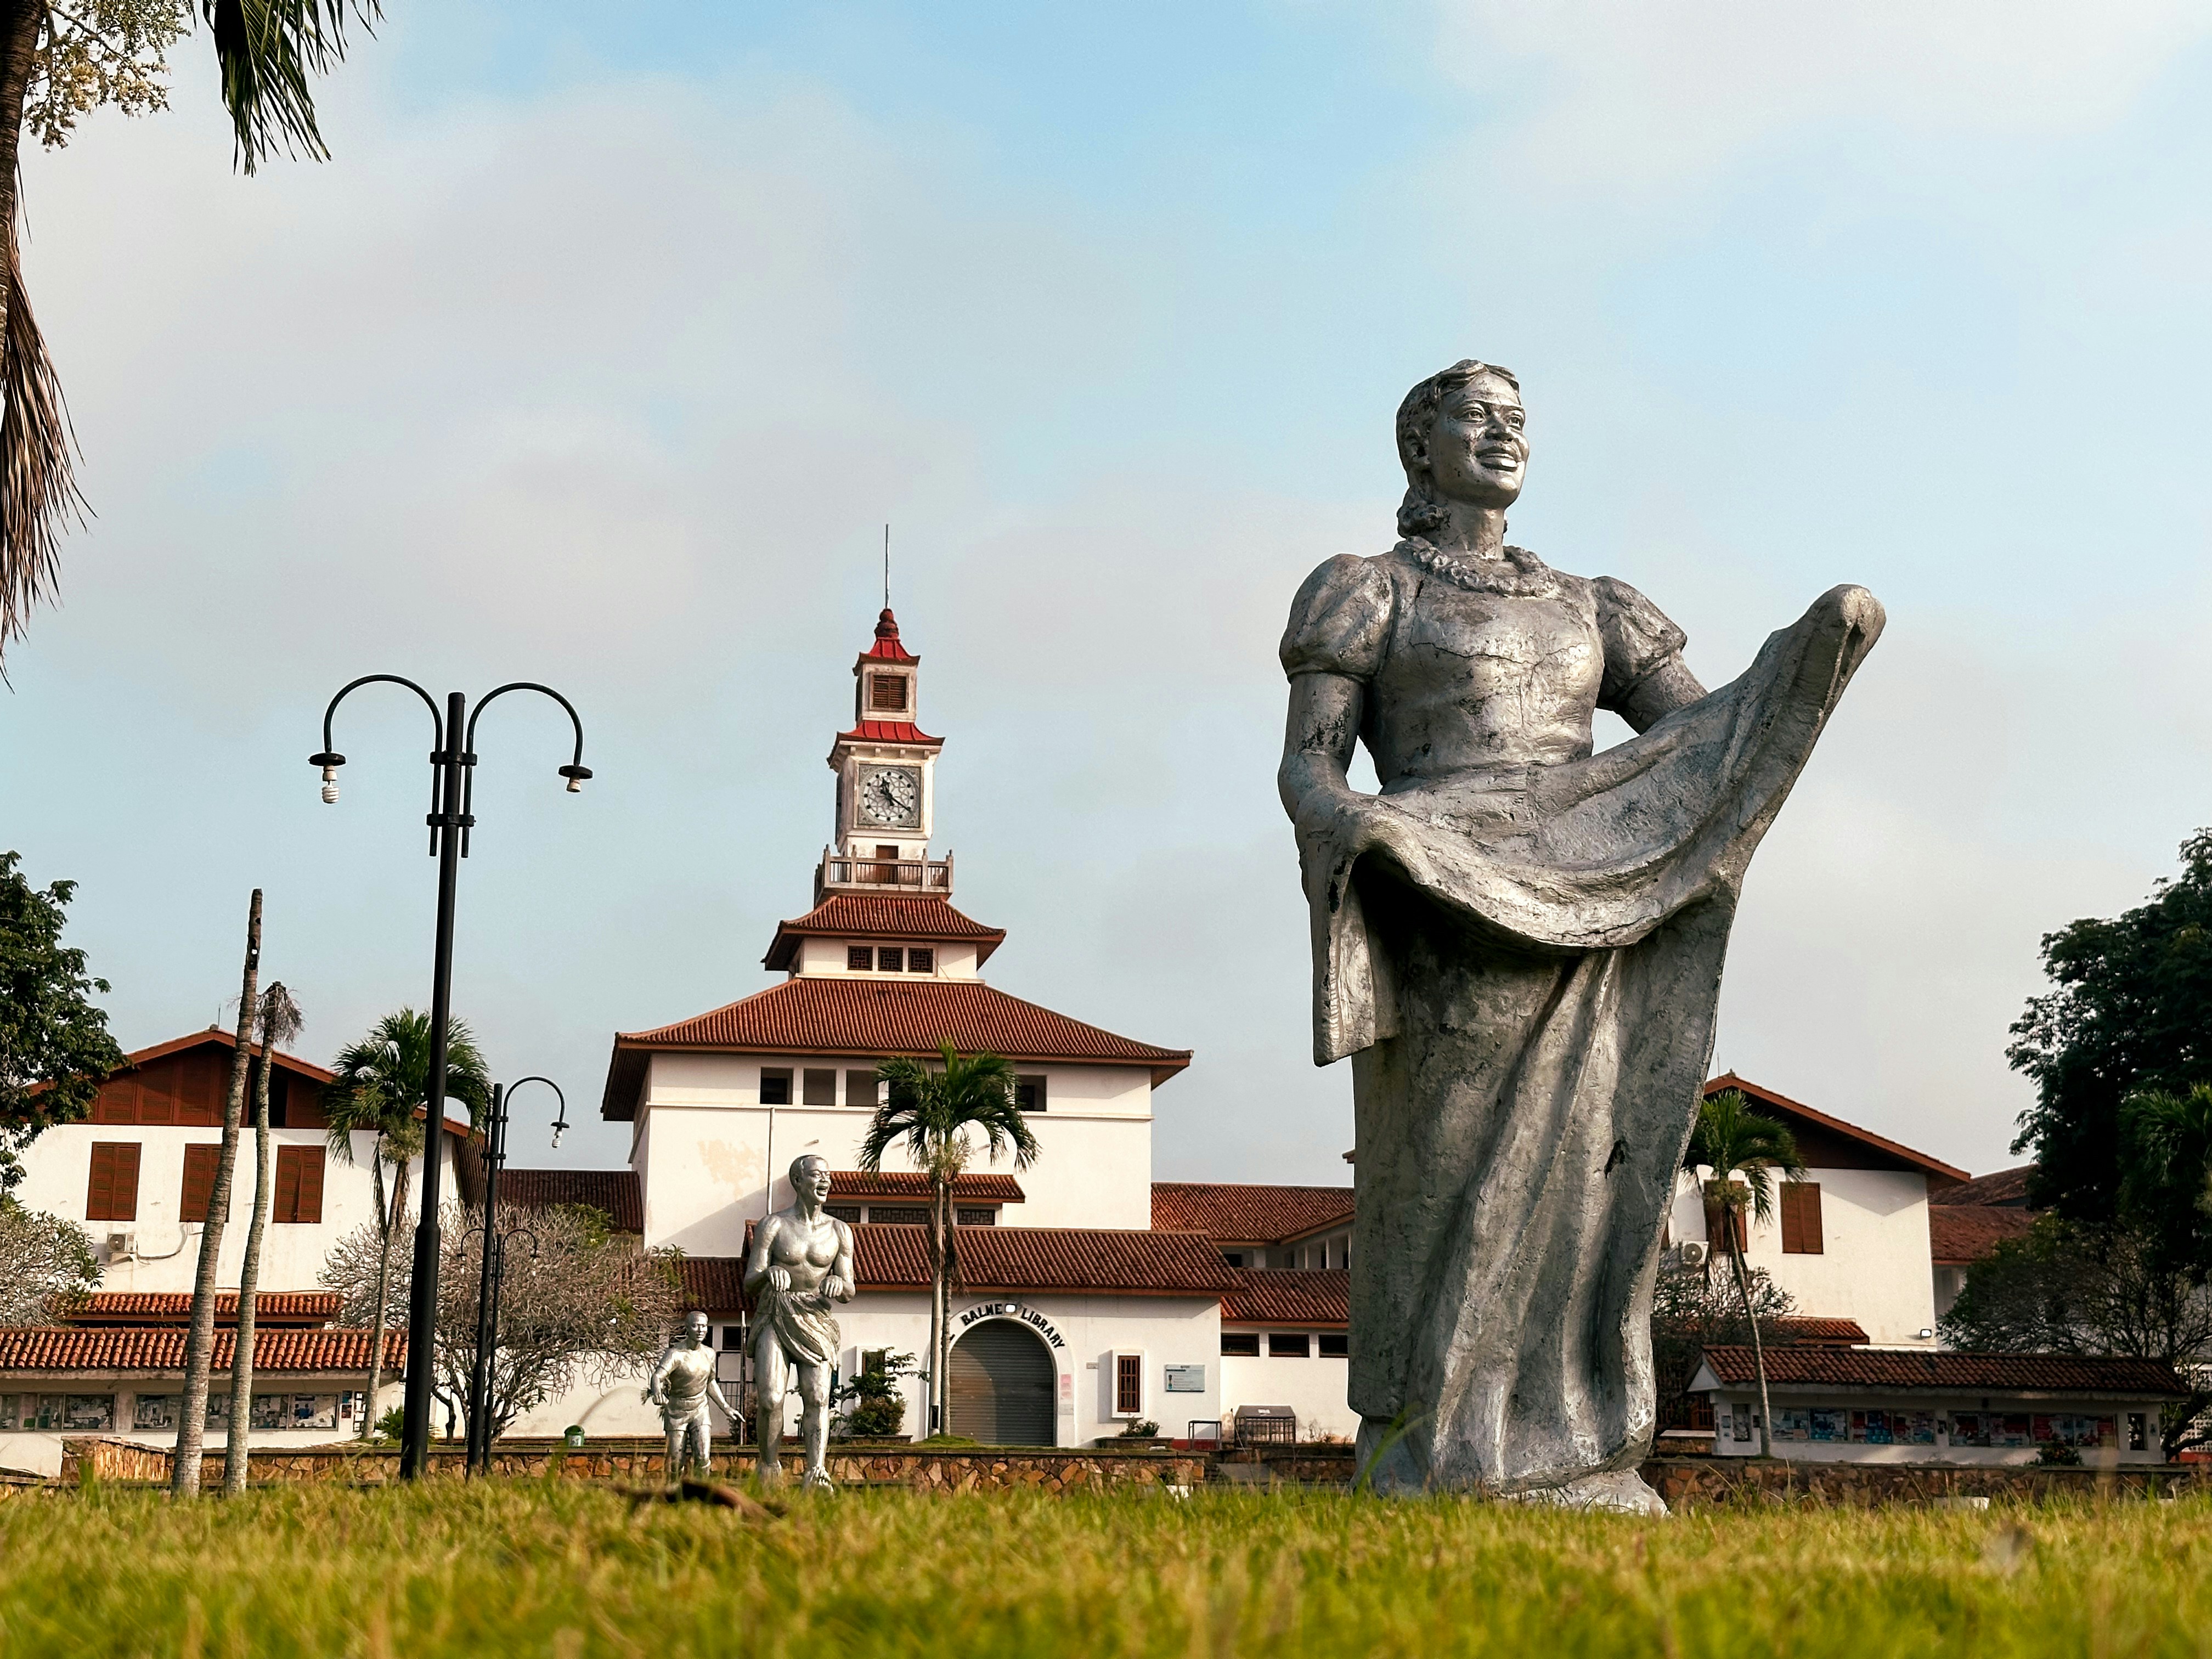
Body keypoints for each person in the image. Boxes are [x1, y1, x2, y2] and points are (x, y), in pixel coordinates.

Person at [1278, 359, 1883, 1510]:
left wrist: (1798, 675)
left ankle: (1575, 1442)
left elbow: (1696, 744)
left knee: (1588, 1170)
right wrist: (1356, 825)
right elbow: (1309, 764)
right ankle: (1433, 1446)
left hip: (1589, 889)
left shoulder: (1594, 603)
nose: (1503, 433)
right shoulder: (1368, 589)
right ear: (1419, 445)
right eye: (1477, 415)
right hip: (1445, 890)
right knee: (1447, 1166)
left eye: (1517, 418)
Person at [745, 1153, 855, 1491]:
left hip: (816, 1318)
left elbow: (849, 1288)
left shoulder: (839, 1230)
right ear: (797, 1180)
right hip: (776, 1315)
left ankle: (816, 1472)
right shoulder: (773, 1225)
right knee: (770, 1399)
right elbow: (750, 1281)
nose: (825, 1181)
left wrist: (839, 1284)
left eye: (828, 1175)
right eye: (817, 1175)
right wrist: (769, 1273)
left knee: (818, 1398)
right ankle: (769, 1467)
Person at [645, 1309, 733, 1482]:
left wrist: (726, 1407)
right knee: (676, 1461)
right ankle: (674, 1492)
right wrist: (657, 1392)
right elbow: (657, 1377)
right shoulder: (675, 1354)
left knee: (703, 1456)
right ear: (687, 1328)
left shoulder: (709, 1354)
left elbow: (710, 1382)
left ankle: (702, 1491)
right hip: (677, 1410)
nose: (700, 1330)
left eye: (704, 1326)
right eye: (695, 1326)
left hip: (700, 1409)